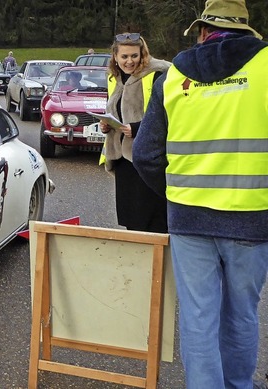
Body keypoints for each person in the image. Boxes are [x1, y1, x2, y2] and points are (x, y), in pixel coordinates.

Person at [131, 1, 268, 388]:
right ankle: (238, 385)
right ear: (247, 29)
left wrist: (176, 192)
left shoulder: (173, 75)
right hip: (252, 218)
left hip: (189, 218)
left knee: (197, 315)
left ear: (203, 31)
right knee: (241, 313)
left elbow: (145, 153)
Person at [99, 32, 170, 233]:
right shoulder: (114, 78)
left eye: (134, 56)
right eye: (124, 57)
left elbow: (166, 114)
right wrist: (106, 125)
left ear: (143, 54)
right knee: (132, 219)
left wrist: (138, 128)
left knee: (154, 220)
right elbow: (114, 110)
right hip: (123, 158)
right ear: (115, 57)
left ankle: (157, 261)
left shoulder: (158, 74)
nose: (129, 61)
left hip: (147, 156)